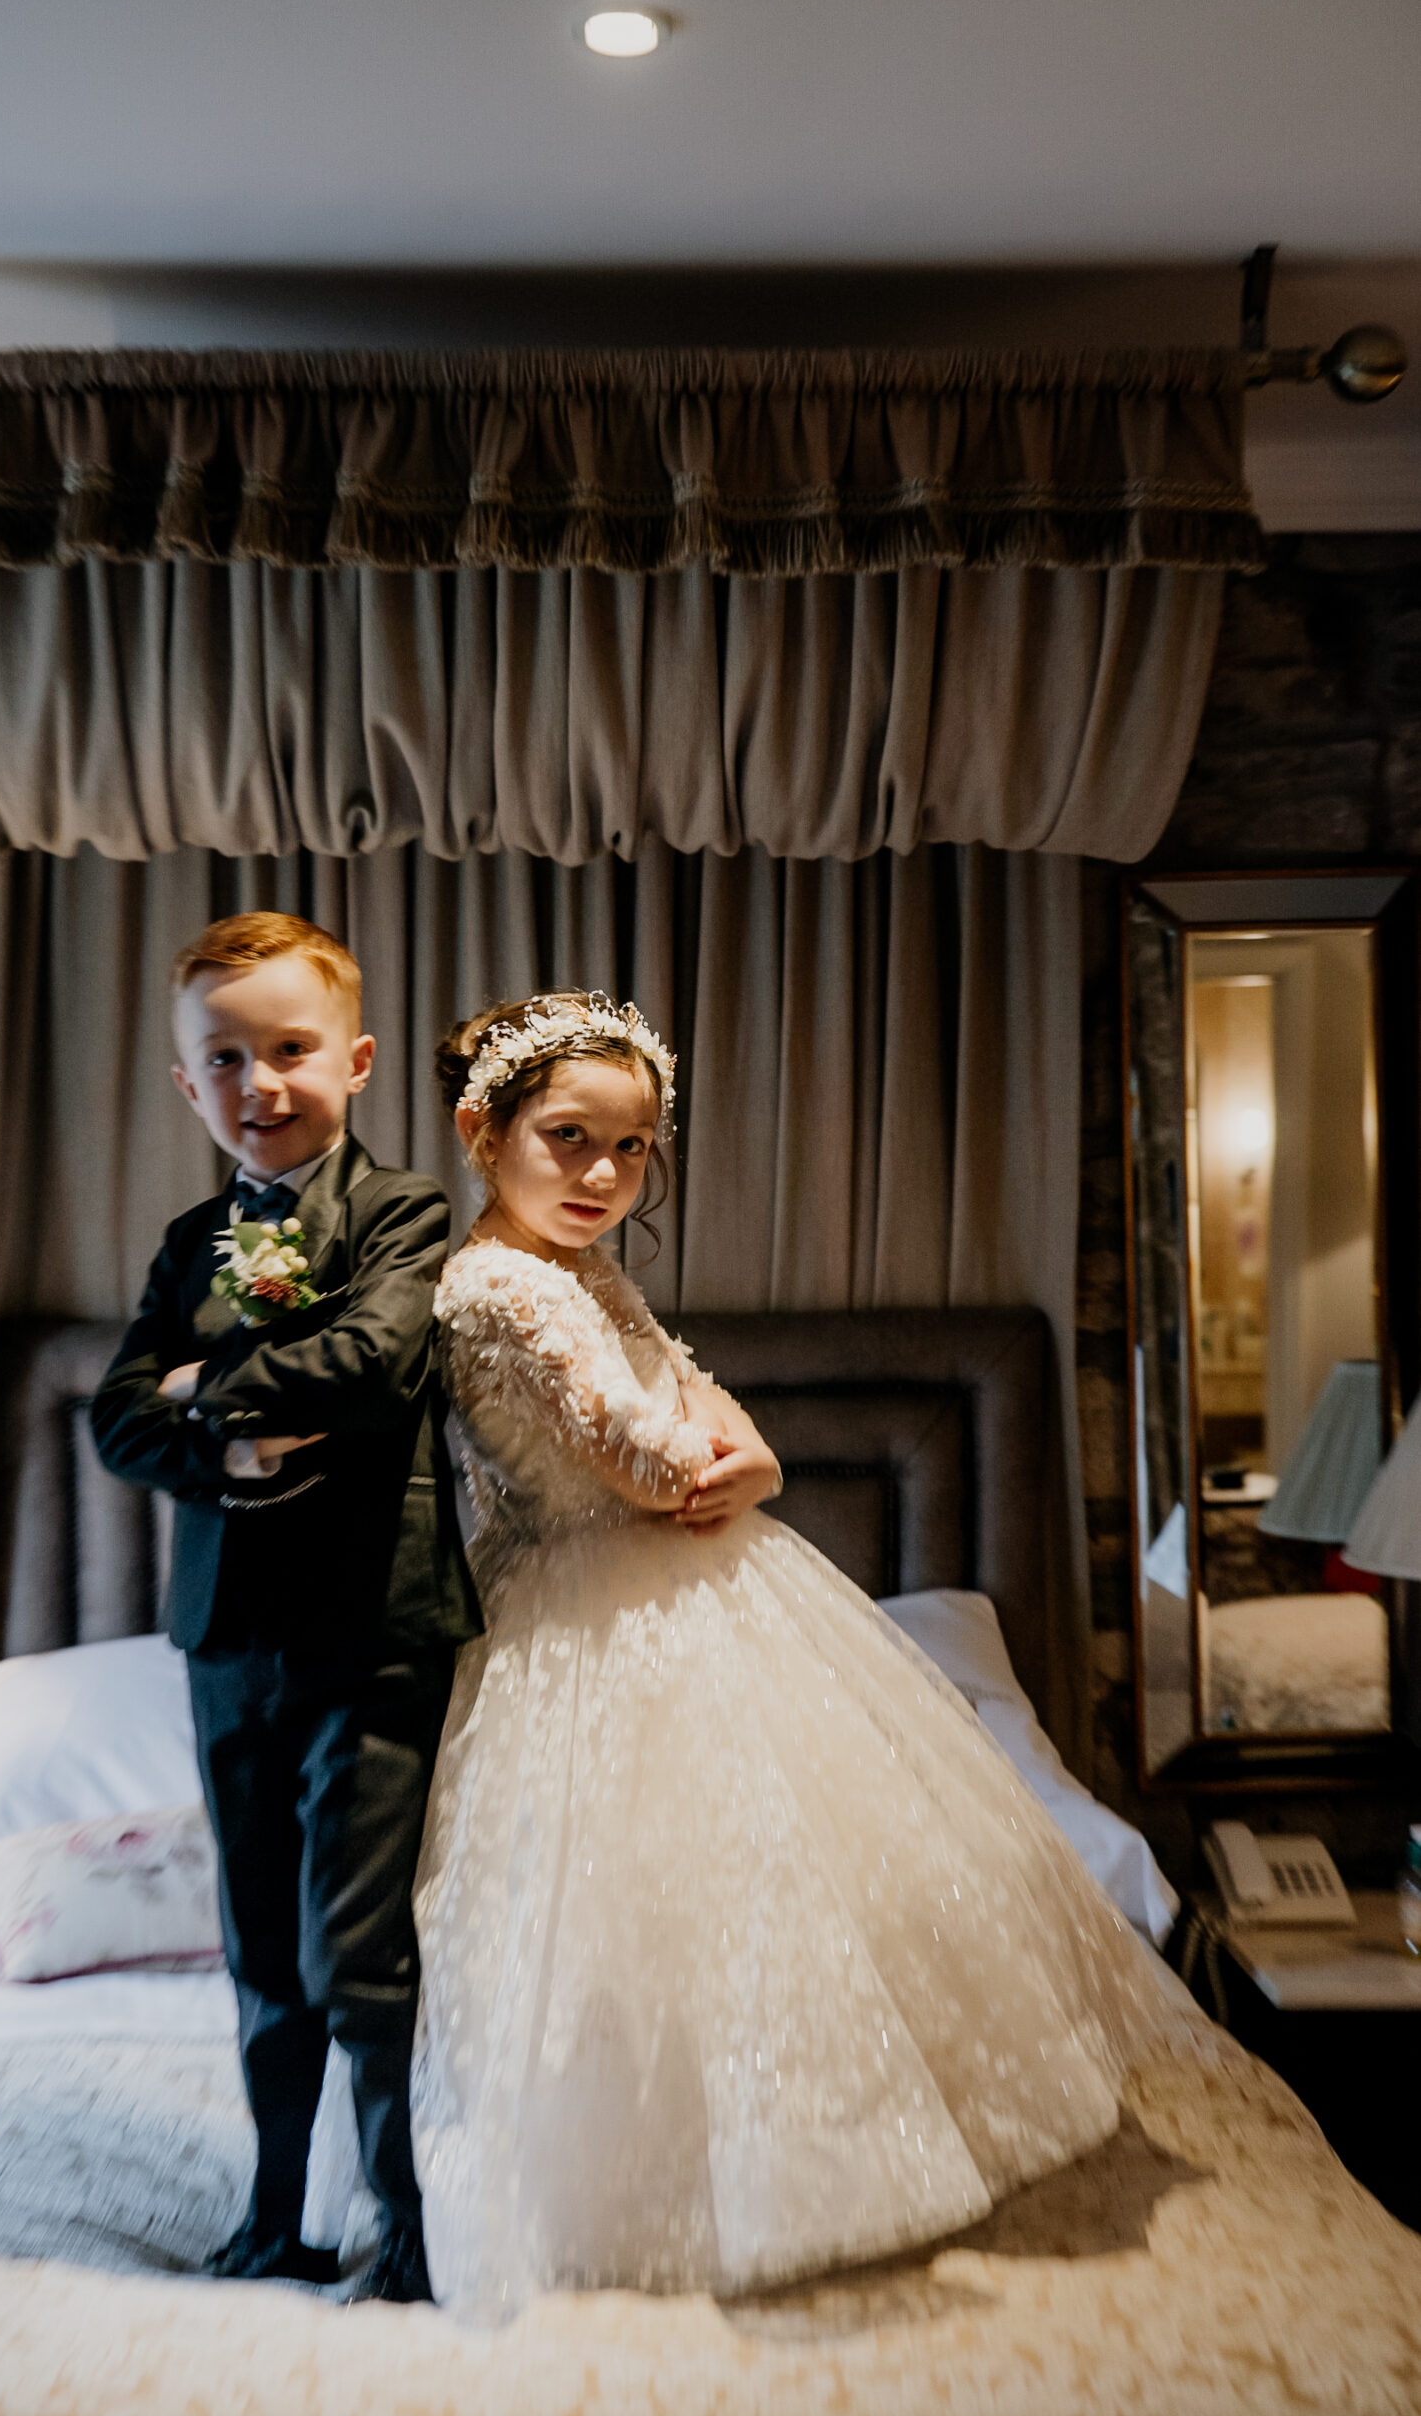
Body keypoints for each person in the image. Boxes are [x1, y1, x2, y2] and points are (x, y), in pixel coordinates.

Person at [311, 989, 1181, 2318]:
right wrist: (732, 1462)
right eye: (570, 1139)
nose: (605, 1174)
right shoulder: (494, 1283)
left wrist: (753, 1451)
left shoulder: (581, 1265)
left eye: (634, 1146)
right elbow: (646, 1455)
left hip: (692, 1577)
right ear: (481, 1131)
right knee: (614, 1897)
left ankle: (805, 2136)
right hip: (580, 1600)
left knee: (771, 1877)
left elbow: (687, 1383)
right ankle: (634, 2179)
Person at [91, 912, 481, 2306]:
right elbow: (117, 1420)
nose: (263, 1083)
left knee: (353, 1949)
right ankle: (272, 2221)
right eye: (228, 1059)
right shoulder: (194, 1239)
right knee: (260, 1952)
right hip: (227, 1636)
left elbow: (379, 1361)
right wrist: (212, 1440)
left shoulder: (404, 1213)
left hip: (372, 1627)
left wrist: (215, 1392)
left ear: (355, 1059)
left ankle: (408, 2230)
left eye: (292, 1050)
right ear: (190, 1087)